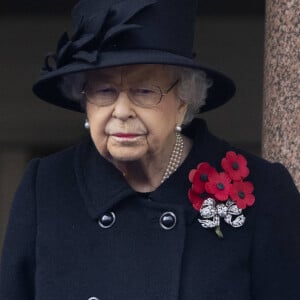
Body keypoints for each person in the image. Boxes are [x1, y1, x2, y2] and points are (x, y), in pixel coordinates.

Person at [0, 0, 299, 299]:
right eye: (104, 91)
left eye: (144, 91)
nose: (121, 111)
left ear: (184, 100)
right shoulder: (46, 187)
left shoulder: (264, 191)